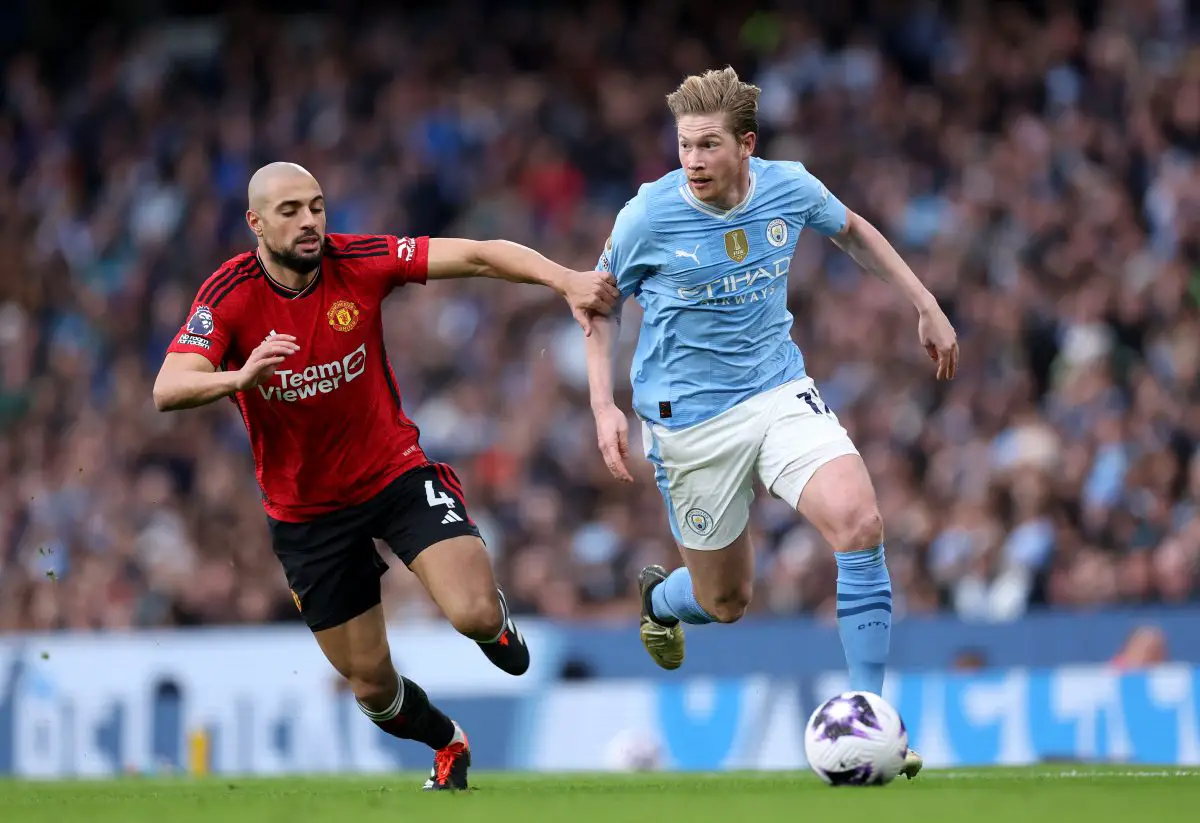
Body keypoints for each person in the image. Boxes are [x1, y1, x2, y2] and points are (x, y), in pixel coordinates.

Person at [153, 162, 618, 791]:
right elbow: (168, 387)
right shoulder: (228, 294)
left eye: (316, 206)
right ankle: (446, 741)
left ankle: (494, 619)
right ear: (255, 223)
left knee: (474, 615)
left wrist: (564, 280)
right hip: (306, 514)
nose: (310, 220)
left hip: (393, 476)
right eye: (290, 210)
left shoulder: (363, 260)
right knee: (372, 687)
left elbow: (478, 255)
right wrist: (235, 380)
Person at [583, 68, 959, 780]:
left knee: (860, 520)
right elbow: (597, 305)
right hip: (688, 422)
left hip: (778, 387)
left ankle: (869, 717)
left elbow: (852, 231)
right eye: (684, 146)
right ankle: (661, 600)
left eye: (707, 145)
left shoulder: (789, 186)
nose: (691, 160)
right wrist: (603, 405)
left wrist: (924, 301)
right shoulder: (647, 216)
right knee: (725, 601)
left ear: (745, 145)